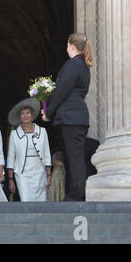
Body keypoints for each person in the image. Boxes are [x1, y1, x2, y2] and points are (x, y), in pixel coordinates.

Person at [42, 33, 93, 201]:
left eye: (66, 45)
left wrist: (48, 113)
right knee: (74, 155)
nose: (66, 49)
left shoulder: (73, 64)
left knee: (75, 157)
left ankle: (77, 194)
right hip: (76, 116)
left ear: (71, 45)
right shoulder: (83, 66)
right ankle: (76, 192)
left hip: (72, 117)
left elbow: (62, 90)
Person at [7, 98, 52, 202]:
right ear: (19, 117)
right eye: (22, 113)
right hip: (22, 173)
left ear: (32, 115)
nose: (25, 115)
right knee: (26, 199)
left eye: (28, 113)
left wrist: (48, 175)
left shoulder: (42, 131)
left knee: (41, 201)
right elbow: (11, 158)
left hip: (40, 172)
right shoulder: (14, 135)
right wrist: (10, 179)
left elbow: (47, 154)